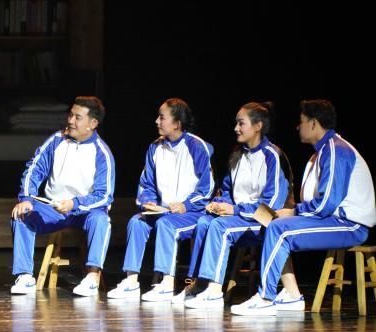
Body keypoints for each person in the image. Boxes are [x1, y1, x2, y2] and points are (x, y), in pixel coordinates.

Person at [232, 99, 376, 315]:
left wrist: (294, 211)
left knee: (279, 229)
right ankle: (291, 295)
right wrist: (289, 213)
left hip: (349, 225)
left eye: (302, 121)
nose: (298, 127)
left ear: (314, 123)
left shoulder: (336, 150)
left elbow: (326, 203)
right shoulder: (322, 152)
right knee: (275, 224)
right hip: (334, 220)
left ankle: (265, 298)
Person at [180, 102, 291, 309]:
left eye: (241, 123)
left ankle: (214, 291)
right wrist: (219, 204)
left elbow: (271, 204)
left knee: (219, 227)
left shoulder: (272, 156)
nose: (236, 128)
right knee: (204, 222)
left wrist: (236, 210)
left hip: (262, 222)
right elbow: (228, 191)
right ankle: (198, 285)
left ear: (257, 126)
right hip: (239, 218)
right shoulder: (238, 154)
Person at [106, 98, 214, 301]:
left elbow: (206, 188)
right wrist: (148, 201)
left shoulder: (197, 147)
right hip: (164, 211)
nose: (156, 121)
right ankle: (131, 282)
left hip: (192, 213)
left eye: (162, 117)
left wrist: (185, 205)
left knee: (166, 224)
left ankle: (166, 284)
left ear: (177, 123)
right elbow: (146, 184)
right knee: (136, 222)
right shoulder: (155, 147)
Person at [10, 96, 115, 297]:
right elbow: (34, 168)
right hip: (52, 208)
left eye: (77, 117)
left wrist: (75, 203)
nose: (71, 121)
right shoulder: (57, 140)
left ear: (93, 123)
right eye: (71, 115)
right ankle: (24, 276)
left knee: (101, 220)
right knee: (21, 214)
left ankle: (92, 277)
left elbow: (105, 196)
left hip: (84, 212)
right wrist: (27, 198)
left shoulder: (102, 153)